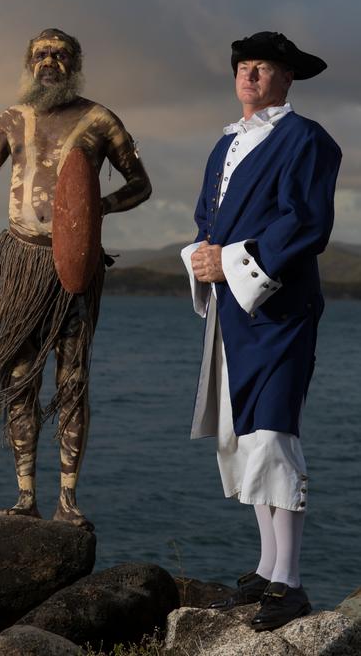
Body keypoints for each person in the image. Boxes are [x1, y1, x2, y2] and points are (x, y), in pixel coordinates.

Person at [0, 28, 151, 530]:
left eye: (60, 54)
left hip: (72, 267)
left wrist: (95, 211)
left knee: (72, 380)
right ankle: (25, 494)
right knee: (19, 378)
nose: (49, 61)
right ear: (28, 64)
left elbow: (141, 184)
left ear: (75, 64)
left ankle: (68, 499)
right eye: (40, 54)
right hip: (22, 265)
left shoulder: (100, 120)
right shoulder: (13, 118)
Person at [181, 32, 341, 631]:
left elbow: (306, 223)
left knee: (274, 434)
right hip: (234, 310)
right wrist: (201, 255)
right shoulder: (224, 143)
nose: (250, 76)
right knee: (245, 436)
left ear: (286, 79)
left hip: (280, 308)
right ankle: (269, 569)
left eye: (263, 68)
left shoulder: (308, 139)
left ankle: (292, 583)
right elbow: (207, 220)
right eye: (243, 67)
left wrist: (229, 262)